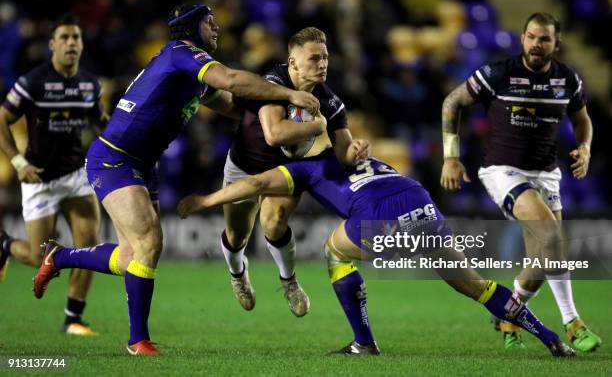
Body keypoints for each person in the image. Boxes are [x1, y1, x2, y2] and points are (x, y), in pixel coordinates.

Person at [33, 3, 320, 356]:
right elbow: (230, 79)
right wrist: (288, 94)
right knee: (149, 243)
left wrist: (274, 116)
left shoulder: (192, 74)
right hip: (113, 159)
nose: (217, 28)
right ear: (191, 27)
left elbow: (231, 104)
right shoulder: (181, 52)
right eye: (209, 23)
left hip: (142, 164)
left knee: (130, 256)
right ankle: (137, 341)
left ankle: (59, 257)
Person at [177, 149, 575, 357]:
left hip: (383, 218)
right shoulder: (357, 155)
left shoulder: (302, 168)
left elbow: (258, 183)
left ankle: (363, 342)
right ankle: (553, 339)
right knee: (475, 286)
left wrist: (209, 198)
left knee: (334, 252)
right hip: (422, 203)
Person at [439, 12, 601, 352]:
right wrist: (451, 157)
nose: (536, 44)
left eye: (544, 39)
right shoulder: (500, 73)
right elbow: (452, 101)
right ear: (522, 38)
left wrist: (584, 148)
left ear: (556, 43)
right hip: (503, 171)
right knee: (551, 237)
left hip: (546, 173)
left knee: (542, 260)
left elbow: (582, 118)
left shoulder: (567, 79)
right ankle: (572, 322)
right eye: (530, 37)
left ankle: (509, 312)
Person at [220, 27, 369, 316]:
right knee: (237, 234)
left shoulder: (331, 102)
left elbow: (344, 152)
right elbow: (274, 134)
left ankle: (289, 282)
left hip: (285, 171)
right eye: (314, 58)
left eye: (325, 57)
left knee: (274, 222)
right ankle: (237, 273)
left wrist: (357, 149)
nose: (322, 64)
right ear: (293, 63)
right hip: (244, 165)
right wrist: (316, 126)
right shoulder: (272, 83)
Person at [0, 15, 106, 336]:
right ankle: (4, 244)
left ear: (82, 44)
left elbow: (100, 120)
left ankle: (73, 319)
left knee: (89, 248)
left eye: (76, 37)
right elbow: (1, 120)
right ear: (52, 45)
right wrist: (18, 162)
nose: (71, 43)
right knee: (37, 256)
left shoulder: (89, 84)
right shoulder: (32, 82)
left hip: (75, 175)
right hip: (39, 179)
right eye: (65, 37)